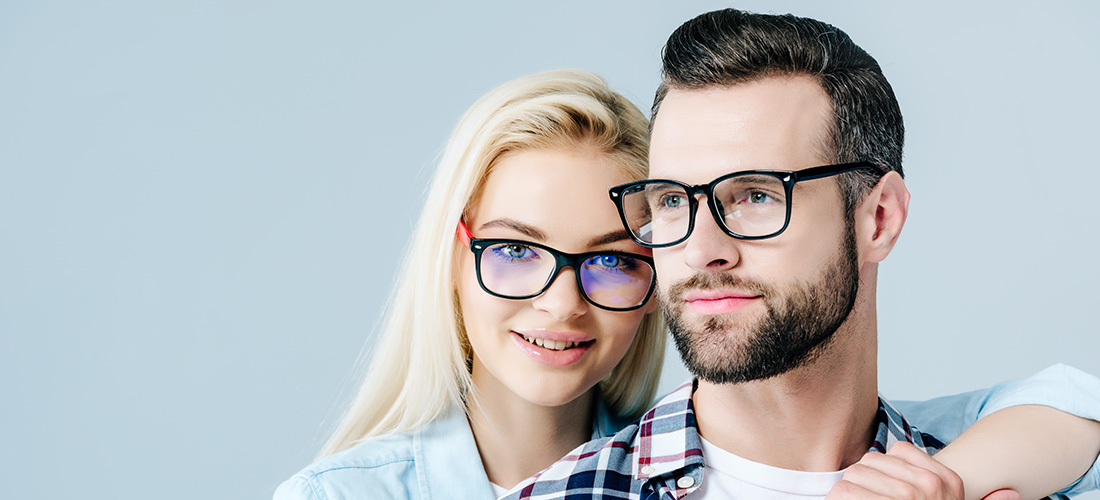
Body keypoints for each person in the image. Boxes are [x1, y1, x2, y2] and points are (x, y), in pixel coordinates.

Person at [276, 70, 1098, 500]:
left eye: (612, 261)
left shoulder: (906, 452)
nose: (562, 304)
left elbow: (1075, 406)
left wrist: (944, 479)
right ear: (453, 256)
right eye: (517, 252)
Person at [504, 9, 1100, 500]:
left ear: (879, 218)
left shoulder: (992, 471)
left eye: (757, 196)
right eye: (672, 202)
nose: (701, 250)